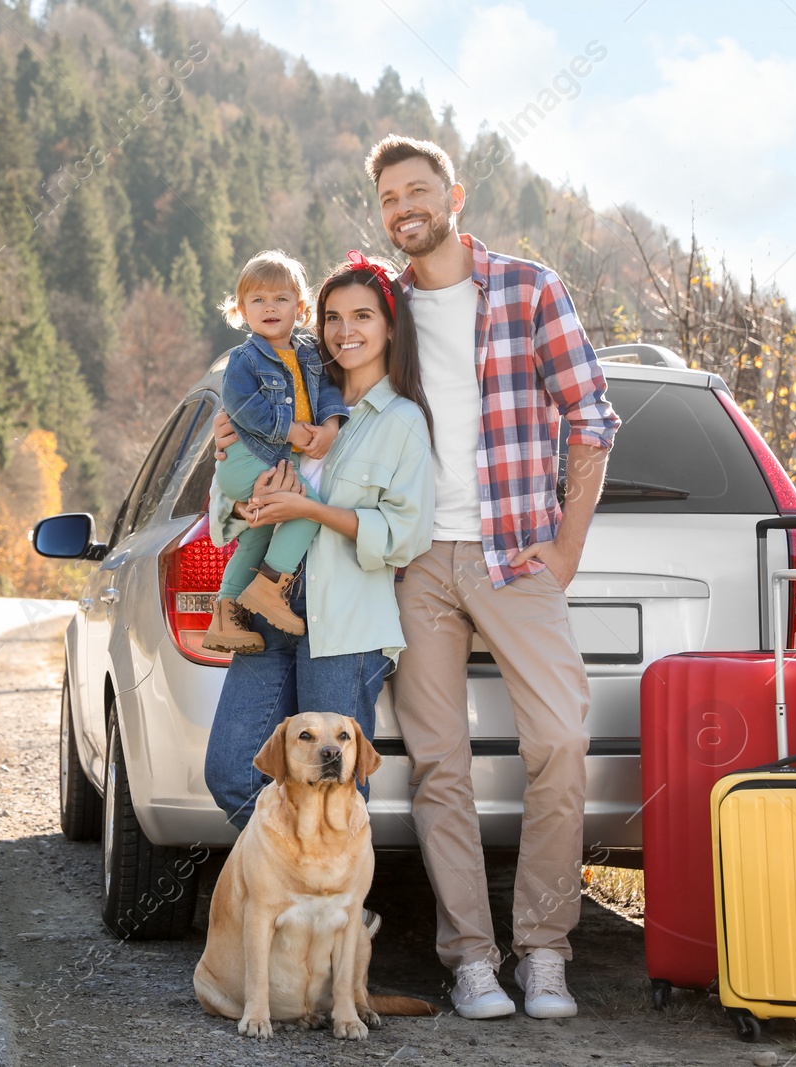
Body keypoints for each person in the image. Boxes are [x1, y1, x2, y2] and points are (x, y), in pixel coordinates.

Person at [365, 134, 621, 1021]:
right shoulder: (383, 307)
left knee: (559, 740)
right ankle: (471, 958)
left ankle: (544, 950)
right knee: (441, 765)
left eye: (418, 189)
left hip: (517, 552)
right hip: (415, 562)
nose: (405, 206)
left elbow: (591, 415)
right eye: (391, 195)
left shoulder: (528, 287)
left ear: (455, 194)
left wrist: (568, 549)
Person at [204, 254, 434, 829]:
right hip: (265, 608)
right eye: (333, 317)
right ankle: (289, 871)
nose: (345, 330)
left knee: (336, 785)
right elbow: (222, 518)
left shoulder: (401, 419)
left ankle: (330, 906)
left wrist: (311, 510)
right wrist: (239, 483)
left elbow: (403, 536)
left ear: (389, 327)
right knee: (234, 770)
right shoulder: (279, 391)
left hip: (345, 623)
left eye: (363, 316)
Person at [201, 250, 347, 654]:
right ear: (242, 310)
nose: (270, 307)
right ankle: (269, 586)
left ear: (299, 308)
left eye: (280, 299)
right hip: (249, 458)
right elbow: (244, 408)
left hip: (270, 461)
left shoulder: (308, 354)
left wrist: (331, 425)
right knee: (307, 510)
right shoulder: (245, 359)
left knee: (255, 537)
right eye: (258, 300)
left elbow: (329, 392)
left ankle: (227, 616)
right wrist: (293, 432)